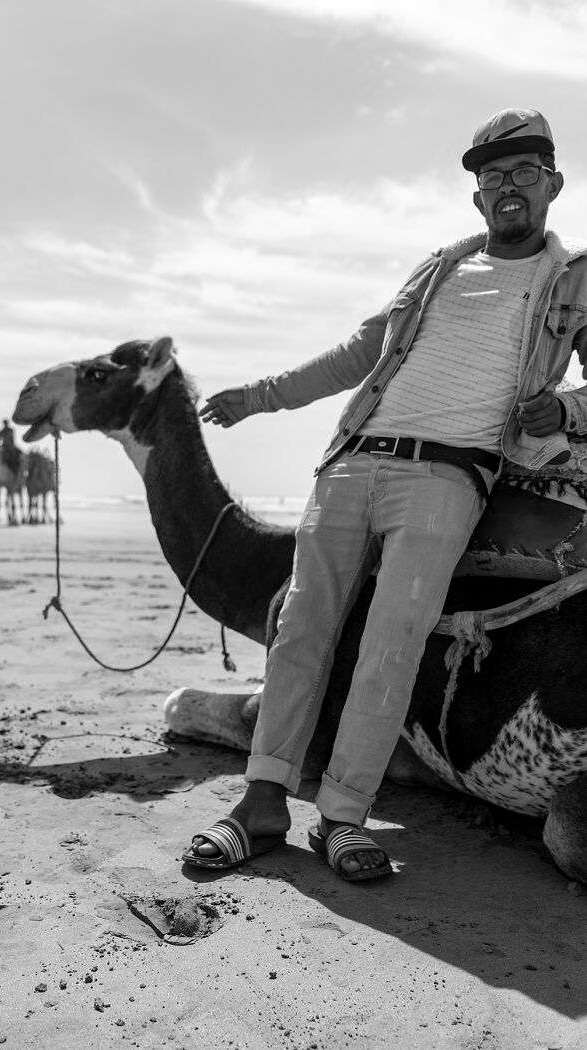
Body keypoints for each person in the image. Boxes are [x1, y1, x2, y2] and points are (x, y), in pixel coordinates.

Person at [182, 109, 587, 881]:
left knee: (389, 648)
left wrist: (565, 409)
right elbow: (359, 353)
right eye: (492, 175)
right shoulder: (438, 269)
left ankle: (341, 818)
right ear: (477, 198)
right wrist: (260, 396)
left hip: (449, 477)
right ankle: (261, 803)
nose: (507, 187)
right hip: (353, 460)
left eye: (524, 173)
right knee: (301, 631)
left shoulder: (576, 281)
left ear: (552, 186)